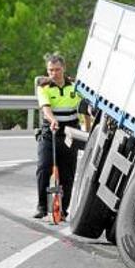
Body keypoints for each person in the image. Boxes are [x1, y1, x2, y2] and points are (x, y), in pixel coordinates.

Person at [33, 53, 89, 219]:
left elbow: (85, 108)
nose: (54, 73)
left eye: (57, 70)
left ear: (63, 69)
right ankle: (42, 206)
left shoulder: (75, 87)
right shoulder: (43, 87)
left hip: (70, 133)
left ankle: (63, 210)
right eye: (50, 70)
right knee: (43, 167)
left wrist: (88, 129)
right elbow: (46, 108)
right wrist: (52, 120)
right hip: (50, 131)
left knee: (68, 173)